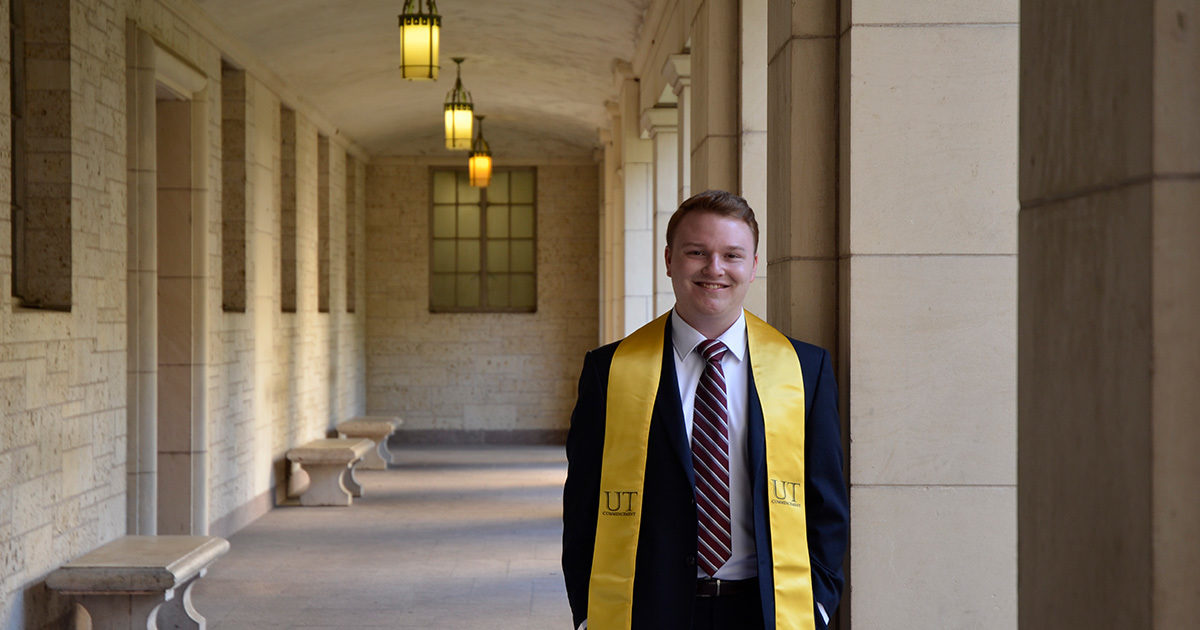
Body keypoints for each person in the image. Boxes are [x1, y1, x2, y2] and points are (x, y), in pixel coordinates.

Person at [561, 190, 849, 630]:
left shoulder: (804, 369)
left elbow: (826, 503)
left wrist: (821, 604)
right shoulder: (610, 370)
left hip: (766, 608)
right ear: (669, 259)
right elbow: (583, 504)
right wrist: (586, 610)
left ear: (752, 266)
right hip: (647, 608)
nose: (714, 269)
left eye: (732, 255)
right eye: (697, 252)